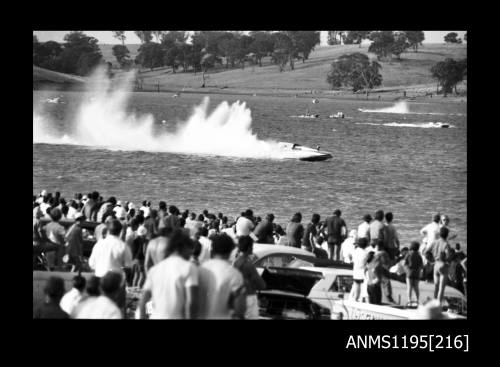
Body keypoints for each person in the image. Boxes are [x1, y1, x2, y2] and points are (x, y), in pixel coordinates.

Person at [138, 229, 198, 319]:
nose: (190, 255)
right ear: (183, 247)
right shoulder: (188, 267)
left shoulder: (154, 269)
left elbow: (143, 301)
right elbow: (191, 302)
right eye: (189, 251)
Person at [198, 234, 246, 319]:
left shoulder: (200, 269)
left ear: (212, 250)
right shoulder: (234, 274)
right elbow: (239, 308)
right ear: (230, 251)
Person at [88, 219, 133, 311]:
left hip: (100, 279)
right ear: (120, 231)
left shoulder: (99, 244)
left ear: (108, 231)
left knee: (99, 309)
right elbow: (128, 267)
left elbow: (91, 264)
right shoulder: (123, 246)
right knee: (117, 309)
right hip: (117, 282)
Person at [233, 236, 266, 319]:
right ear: (248, 248)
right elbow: (261, 285)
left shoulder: (236, 262)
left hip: (237, 298)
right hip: (249, 297)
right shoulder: (248, 264)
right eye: (252, 246)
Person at [350, 238, 369, 302]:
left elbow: (350, 257)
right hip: (363, 272)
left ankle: (355, 300)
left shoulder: (354, 251)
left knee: (356, 289)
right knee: (364, 291)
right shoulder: (366, 253)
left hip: (356, 272)